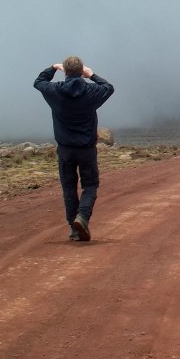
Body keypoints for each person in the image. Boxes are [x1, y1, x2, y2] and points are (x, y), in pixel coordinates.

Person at [34, 56, 114, 241]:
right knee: (91, 185)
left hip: (65, 150)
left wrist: (53, 67)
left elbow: (39, 81)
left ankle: (75, 228)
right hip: (86, 149)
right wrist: (92, 74)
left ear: (65, 71)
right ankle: (82, 217)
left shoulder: (54, 91)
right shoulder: (92, 91)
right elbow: (108, 88)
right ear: (81, 72)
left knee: (69, 187)